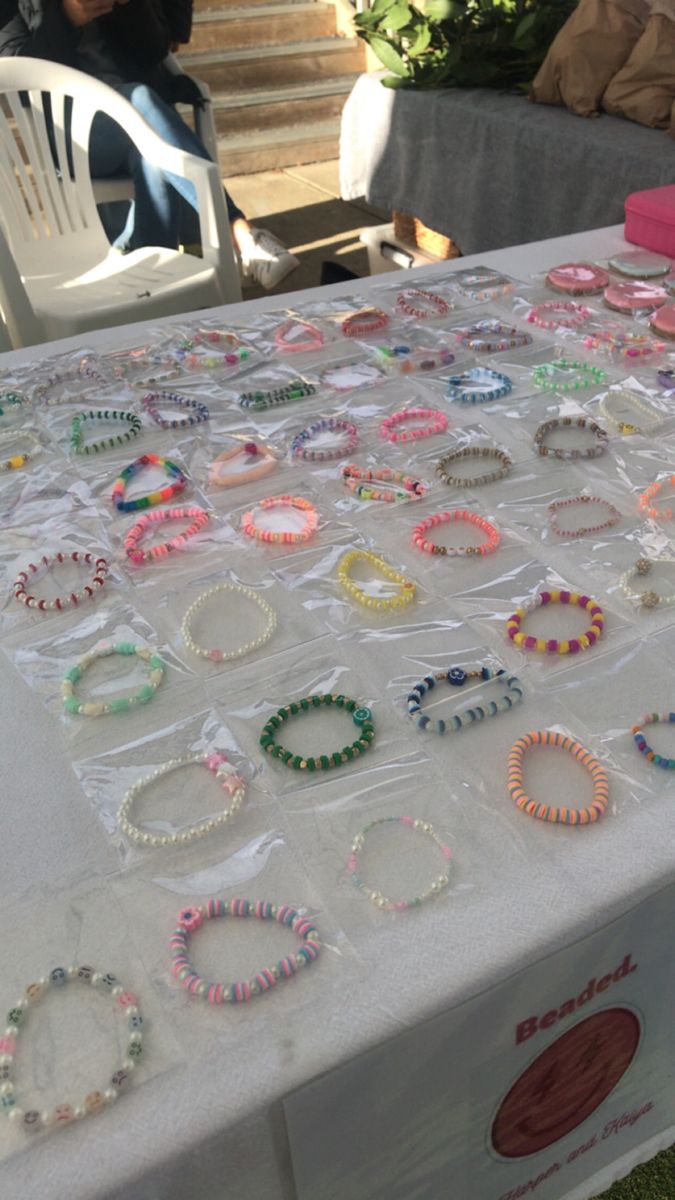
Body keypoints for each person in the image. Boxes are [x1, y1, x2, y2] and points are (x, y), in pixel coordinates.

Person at [0, 0, 300, 289]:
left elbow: (154, 50)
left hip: (141, 129)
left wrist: (130, 7)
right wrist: (66, 18)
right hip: (78, 139)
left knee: (153, 155)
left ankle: (151, 276)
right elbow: (16, 75)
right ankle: (239, 231)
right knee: (139, 101)